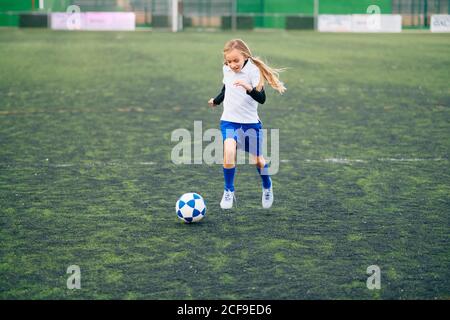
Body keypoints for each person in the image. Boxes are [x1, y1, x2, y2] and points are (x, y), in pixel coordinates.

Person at [208, 39, 286, 210]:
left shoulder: (253, 71)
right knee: (228, 150)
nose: (232, 65)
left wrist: (248, 87)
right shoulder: (226, 69)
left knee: (257, 160)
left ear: (244, 56)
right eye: (229, 61)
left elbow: (262, 99)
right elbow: (226, 89)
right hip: (229, 120)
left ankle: (267, 185)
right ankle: (229, 190)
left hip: (250, 123)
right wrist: (216, 101)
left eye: (236, 60)